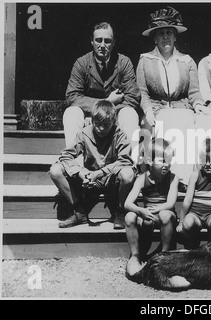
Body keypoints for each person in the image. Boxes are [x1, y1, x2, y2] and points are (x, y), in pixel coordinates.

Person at [136, 6, 205, 185]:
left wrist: (197, 105)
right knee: (155, 124)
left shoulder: (187, 61)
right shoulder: (145, 60)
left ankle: (183, 179)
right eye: (161, 33)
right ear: (155, 38)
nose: (165, 36)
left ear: (175, 36)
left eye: (169, 32)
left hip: (182, 109)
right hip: (156, 110)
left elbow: (194, 92)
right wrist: (148, 109)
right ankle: (162, 179)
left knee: (188, 121)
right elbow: (142, 91)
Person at [49, 100, 137, 229]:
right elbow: (66, 156)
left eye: (106, 125)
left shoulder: (120, 135)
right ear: (92, 121)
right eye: (97, 124)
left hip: (111, 180)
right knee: (55, 170)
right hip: (88, 179)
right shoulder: (84, 133)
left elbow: (125, 161)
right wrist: (80, 172)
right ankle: (80, 211)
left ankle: (120, 210)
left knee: (128, 173)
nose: (101, 128)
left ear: (113, 122)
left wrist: (100, 173)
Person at [64, 21, 141, 147]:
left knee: (129, 114)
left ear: (114, 42)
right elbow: (72, 97)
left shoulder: (124, 62)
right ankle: (73, 161)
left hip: (115, 116)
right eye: (98, 40)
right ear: (92, 41)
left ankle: (129, 161)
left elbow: (133, 97)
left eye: (107, 41)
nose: (103, 45)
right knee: (71, 113)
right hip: (89, 117)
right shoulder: (81, 63)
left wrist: (107, 112)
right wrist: (106, 102)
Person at [124, 138, 179, 277]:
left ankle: (164, 255)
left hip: (166, 216)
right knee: (129, 216)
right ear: (150, 161)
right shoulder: (142, 178)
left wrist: (152, 210)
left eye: (169, 160)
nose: (166, 165)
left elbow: (170, 204)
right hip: (147, 215)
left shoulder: (173, 178)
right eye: (162, 160)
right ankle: (135, 256)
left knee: (165, 214)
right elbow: (127, 203)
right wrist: (141, 211)